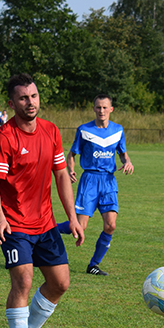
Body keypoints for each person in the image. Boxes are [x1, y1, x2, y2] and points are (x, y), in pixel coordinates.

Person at [0, 74, 84, 328]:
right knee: (23, 282)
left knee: (60, 284)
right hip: (15, 225)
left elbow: (62, 175)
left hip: (45, 223)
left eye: (34, 96)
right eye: (24, 98)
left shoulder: (51, 131)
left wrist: (74, 216)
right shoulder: (4, 137)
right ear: (12, 103)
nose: (31, 102)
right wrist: (0, 218)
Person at [55, 95, 134, 276]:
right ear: (94, 109)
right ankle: (48, 229)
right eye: (98, 107)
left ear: (111, 109)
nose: (101, 111)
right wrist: (71, 170)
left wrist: (128, 162)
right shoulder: (84, 130)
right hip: (89, 181)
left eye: (105, 107)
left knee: (111, 225)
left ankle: (93, 265)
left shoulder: (118, 130)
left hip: (108, 181)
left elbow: (123, 154)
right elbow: (72, 154)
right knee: (80, 227)